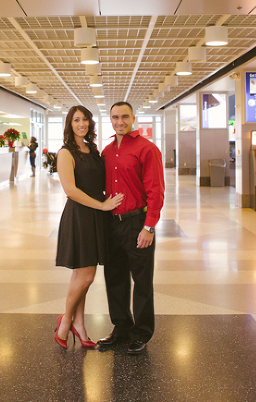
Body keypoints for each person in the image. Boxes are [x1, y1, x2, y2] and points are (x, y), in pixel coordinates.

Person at [98, 101, 165, 355]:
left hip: (138, 223)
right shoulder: (106, 151)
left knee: (142, 280)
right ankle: (122, 327)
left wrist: (149, 227)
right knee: (114, 279)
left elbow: (156, 190)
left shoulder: (147, 149)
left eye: (124, 117)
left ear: (133, 118)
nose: (120, 122)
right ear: (110, 119)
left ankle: (141, 332)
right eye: (115, 117)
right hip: (112, 224)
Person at [55, 106, 124, 349]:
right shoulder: (65, 153)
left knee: (81, 276)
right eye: (76, 120)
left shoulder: (92, 150)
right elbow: (71, 190)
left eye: (85, 119)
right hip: (81, 215)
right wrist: (102, 206)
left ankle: (80, 325)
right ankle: (65, 321)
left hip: (95, 215)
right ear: (69, 124)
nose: (81, 123)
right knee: (86, 276)